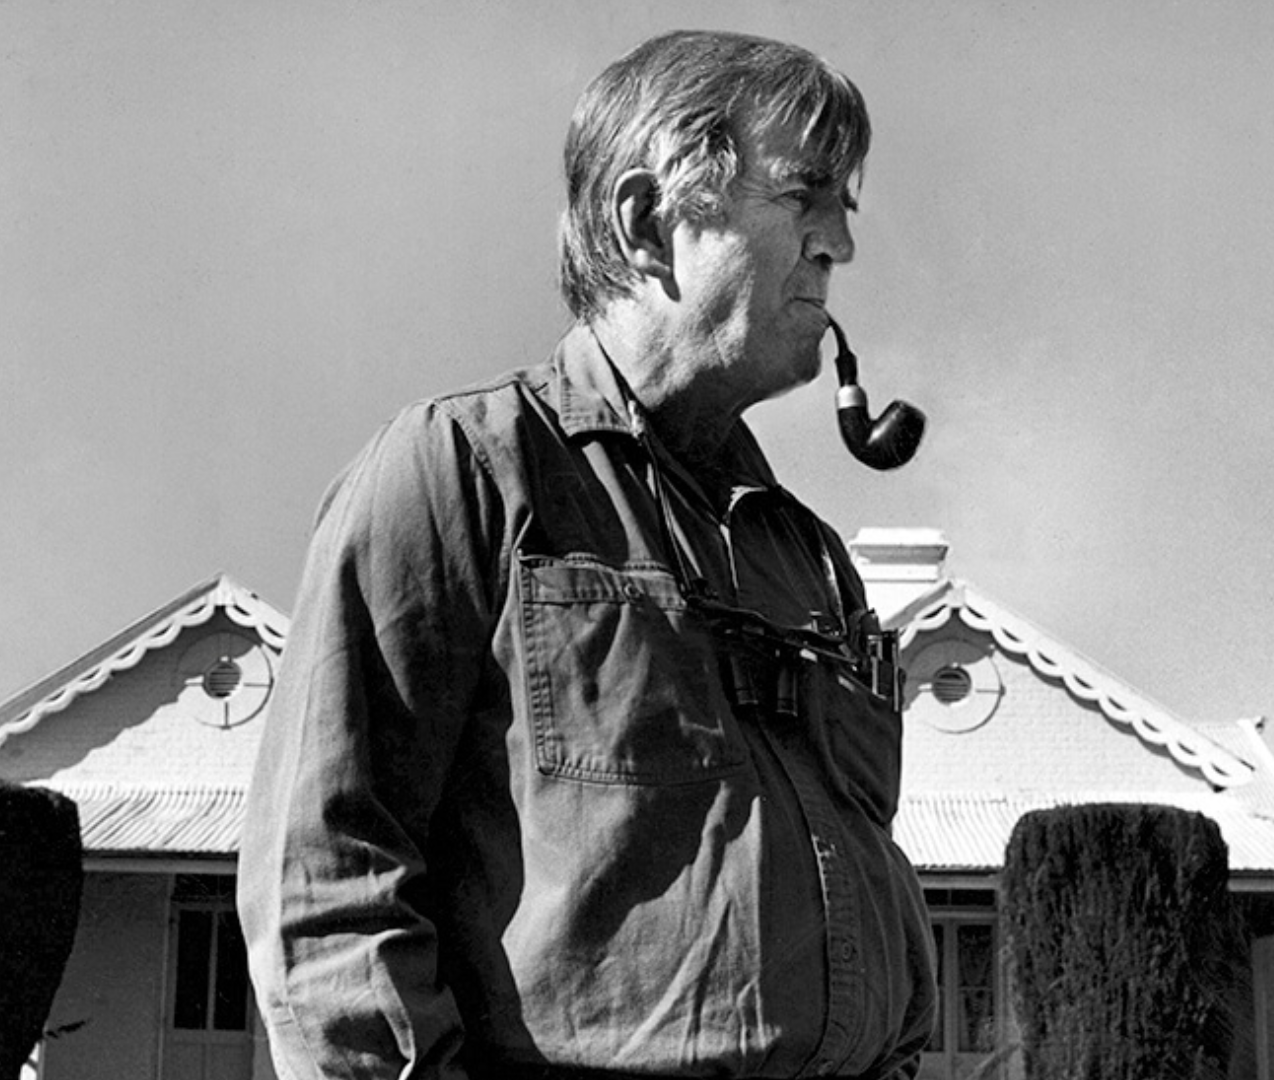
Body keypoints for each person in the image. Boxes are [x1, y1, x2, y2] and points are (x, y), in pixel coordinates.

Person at [238, 29, 936, 1080]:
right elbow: (325, 890)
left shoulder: (810, 559)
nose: (841, 241)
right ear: (651, 222)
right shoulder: (462, 472)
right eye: (806, 195)